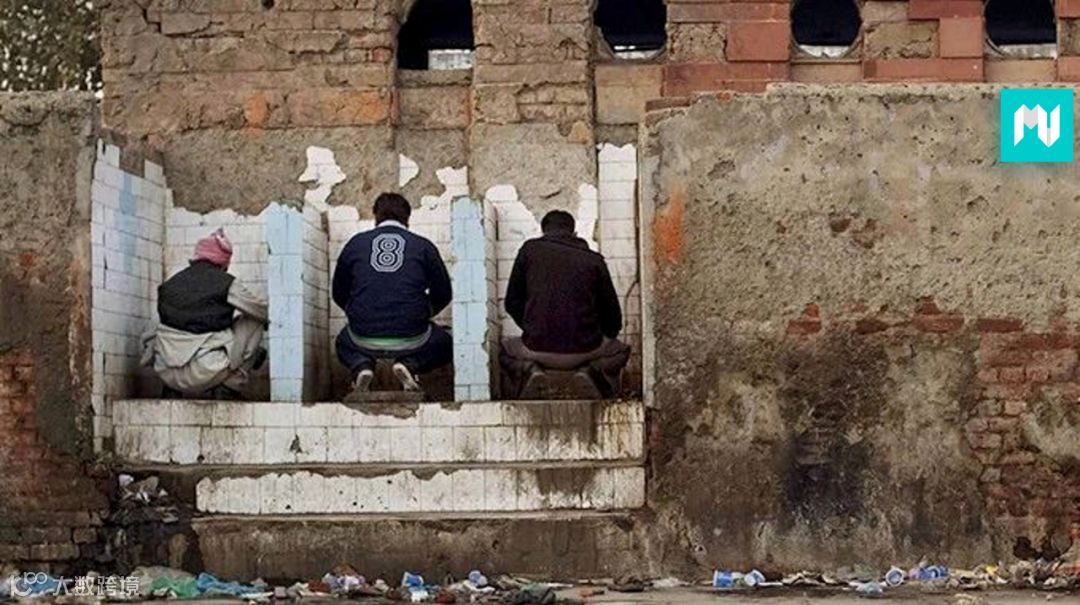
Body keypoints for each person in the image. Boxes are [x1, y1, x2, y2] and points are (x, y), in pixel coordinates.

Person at [332, 193, 453, 395]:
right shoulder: (423, 246)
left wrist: (358, 312)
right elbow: (444, 293)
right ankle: (410, 364)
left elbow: (338, 292)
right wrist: (424, 312)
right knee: (446, 342)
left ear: (376, 215)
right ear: (407, 217)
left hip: (363, 335)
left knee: (343, 342)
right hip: (413, 334)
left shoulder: (355, 244)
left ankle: (361, 366)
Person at [502, 210, 630, 398]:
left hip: (535, 348)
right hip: (586, 350)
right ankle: (591, 372)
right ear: (574, 232)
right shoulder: (594, 259)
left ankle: (530, 370)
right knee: (622, 351)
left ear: (543, 231)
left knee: (504, 351)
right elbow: (613, 317)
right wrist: (594, 335)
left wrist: (532, 327)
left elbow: (511, 302)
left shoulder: (529, 251)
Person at [142, 228, 268, 398]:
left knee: (162, 324)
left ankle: (171, 390)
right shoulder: (226, 283)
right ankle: (229, 387)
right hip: (206, 370)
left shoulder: (169, 284)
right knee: (254, 321)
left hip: (166, 371)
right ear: (223, 262)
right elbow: (262, 312)